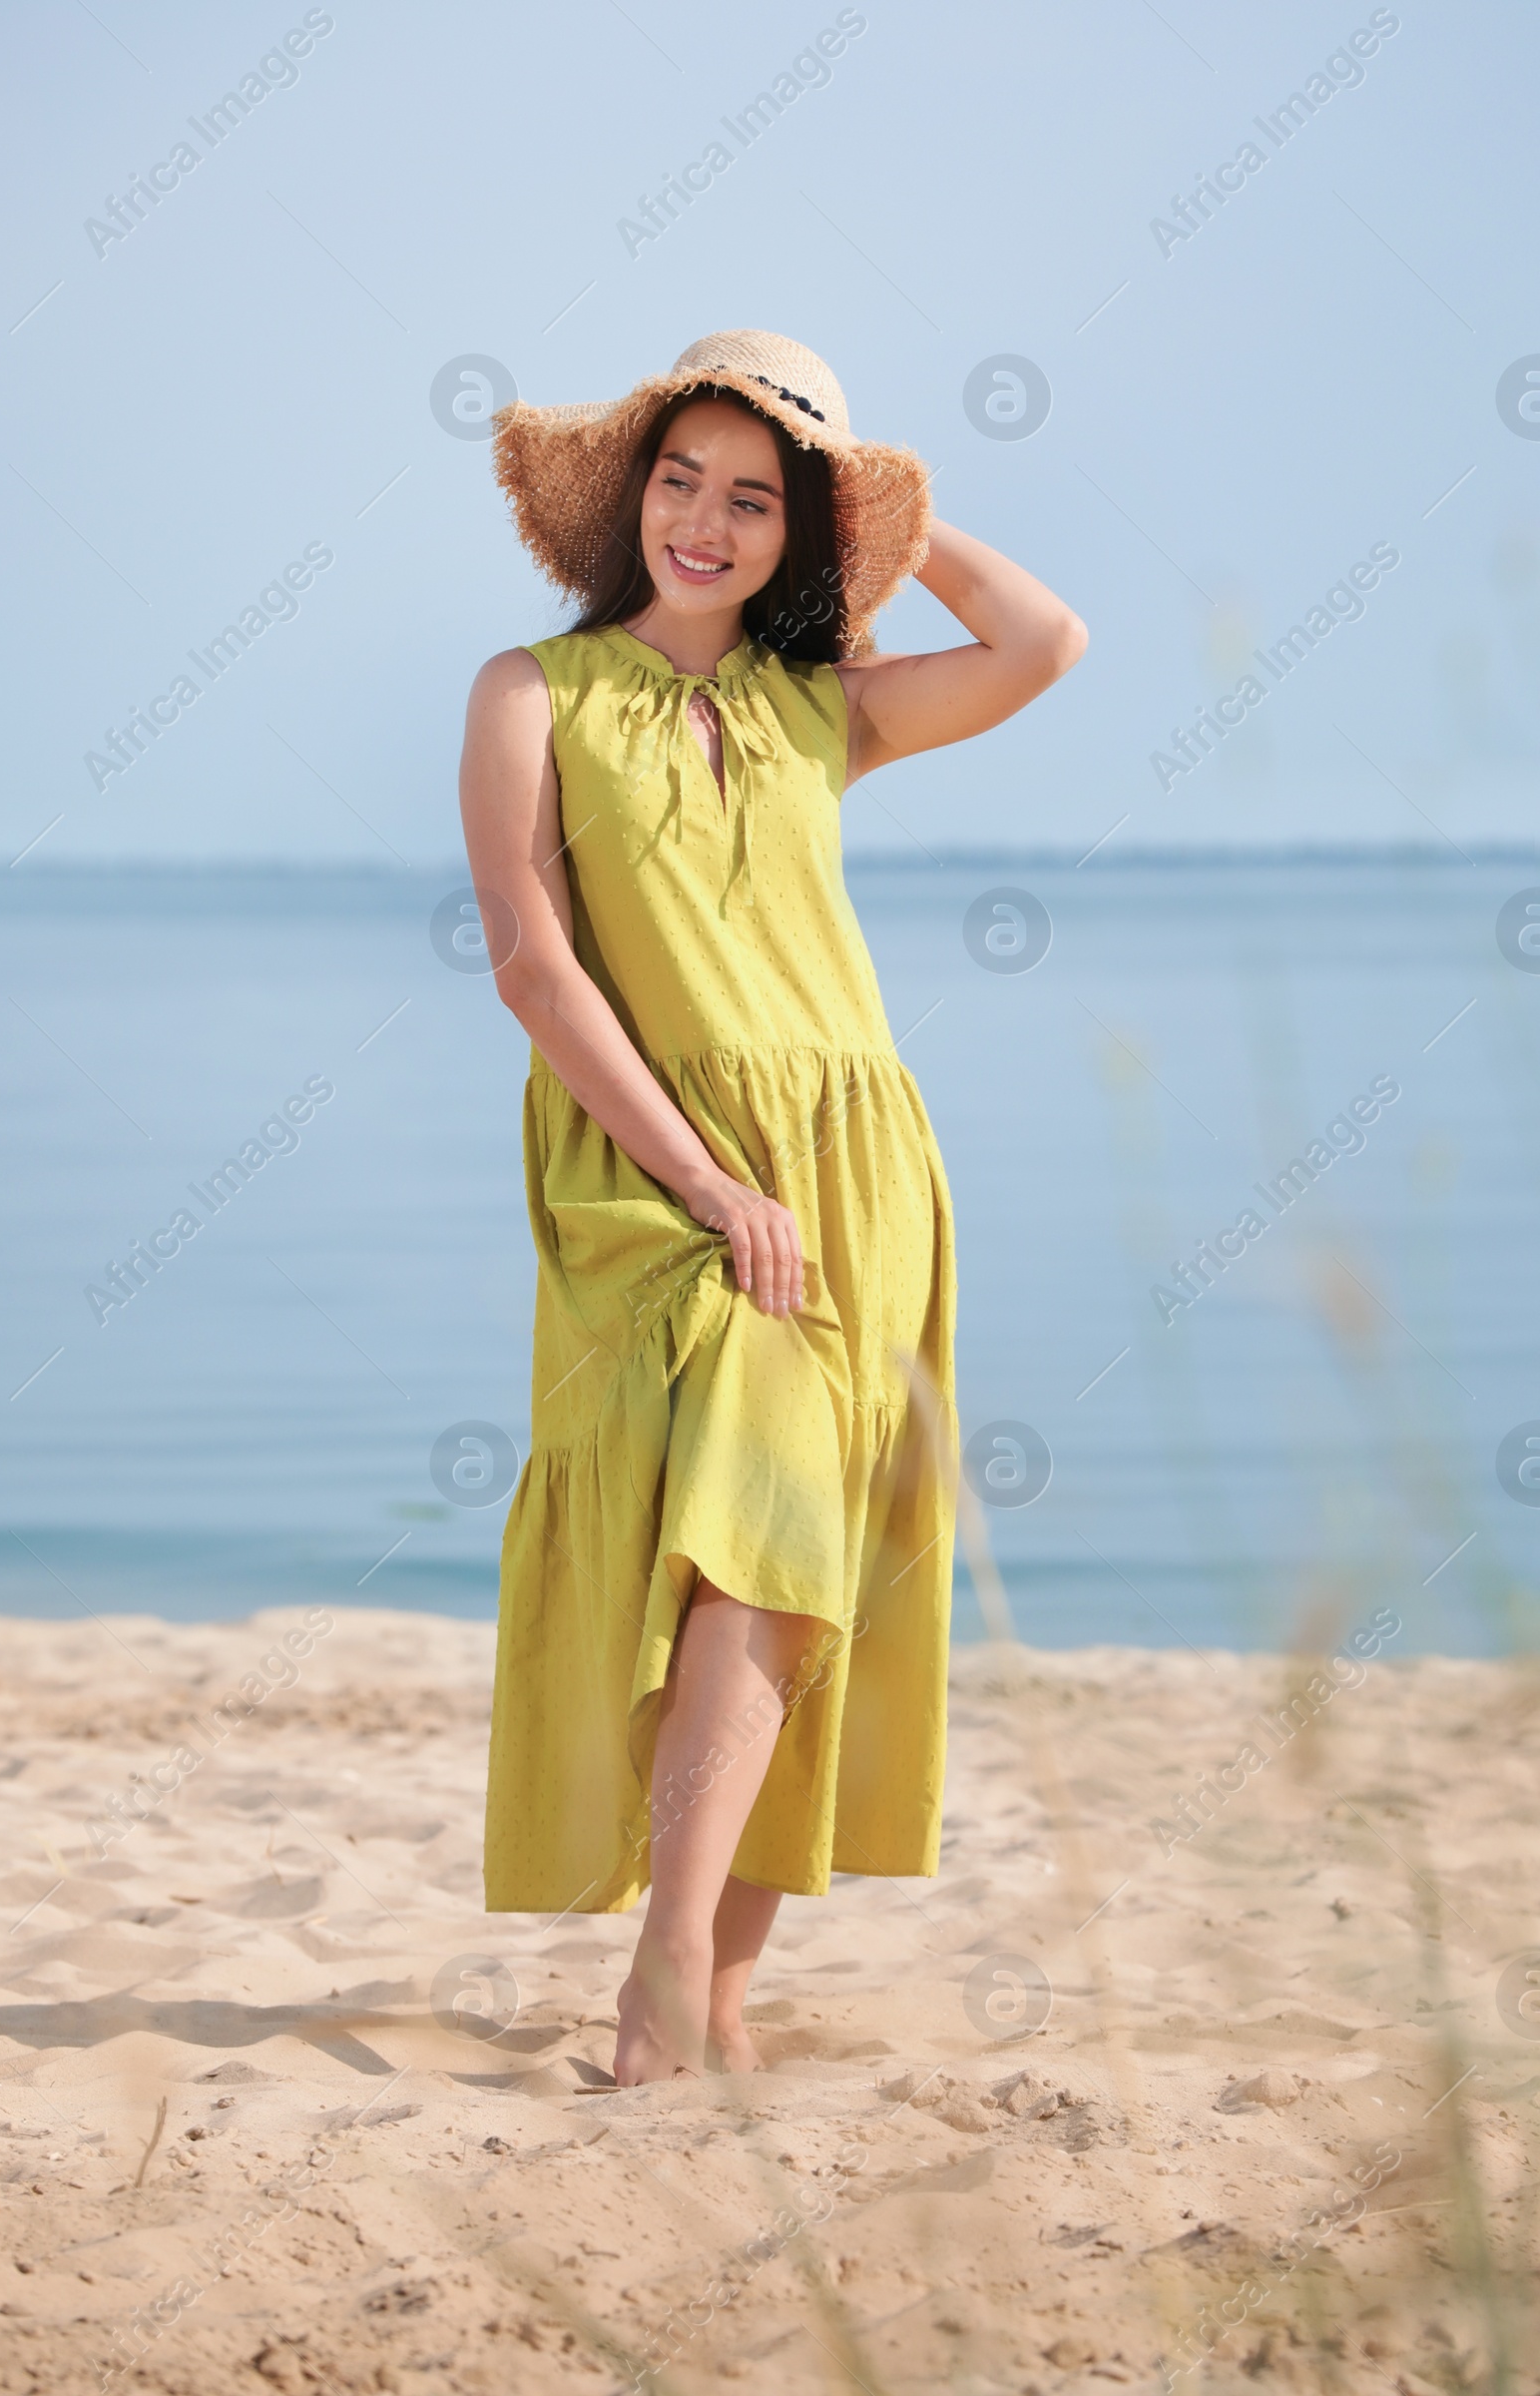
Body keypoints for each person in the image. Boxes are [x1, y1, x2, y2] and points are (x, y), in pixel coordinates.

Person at [459, 329, 1085, 2084]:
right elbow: (532, 965)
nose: (708, 524)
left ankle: (715, 2004)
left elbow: (1046, 644)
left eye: (755, 497)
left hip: (857, 1166)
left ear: (798, 530)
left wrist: (880, 489)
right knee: (743, 1500)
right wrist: (711, 1177)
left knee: (800, 1566)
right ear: (632, 496)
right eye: (682, 482)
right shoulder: (532, 693)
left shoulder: (831, 709)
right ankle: (666, 1964)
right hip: (656, 1167)